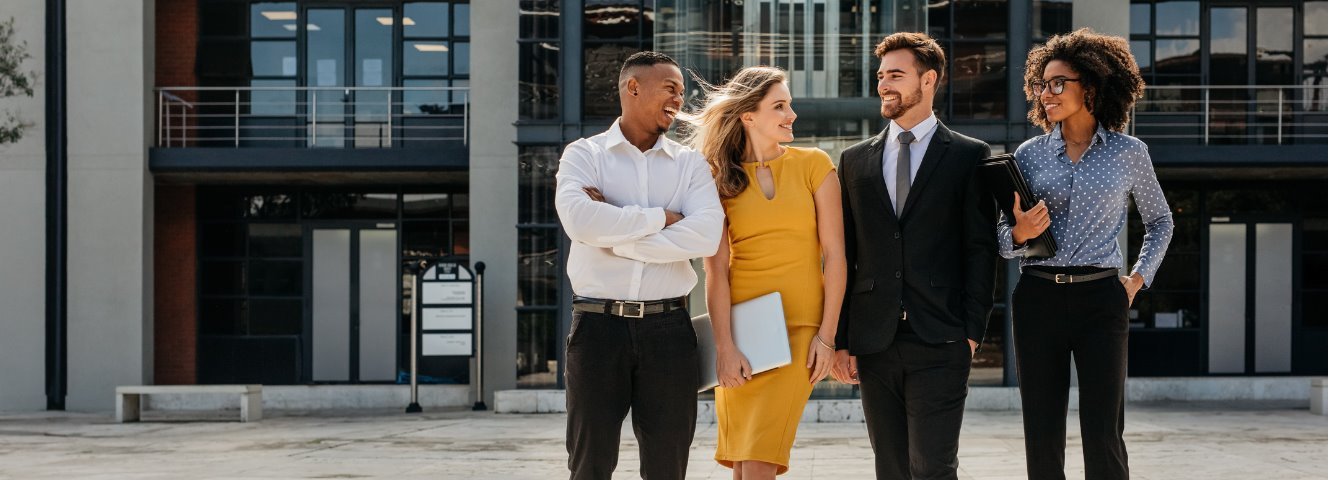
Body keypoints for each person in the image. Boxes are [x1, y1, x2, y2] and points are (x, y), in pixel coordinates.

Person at [1000, 28, 1174, 480]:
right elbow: (1001, 238)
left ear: (1091, 88)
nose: (1047, 93)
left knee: (1103, 431)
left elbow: (1161, 222)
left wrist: (1137, 280)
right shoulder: (1029, 155)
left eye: (1059, 83)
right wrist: (1018, 234)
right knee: (1041, 429)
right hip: (1038, 298)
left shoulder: (1129, 153)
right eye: (1042, 84)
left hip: (1102, 300)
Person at [830, 32, 998, 479]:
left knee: (934, 465)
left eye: (896, 75)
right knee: (891, 466)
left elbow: (979, 249)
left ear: (928, 80)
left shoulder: (968, 156)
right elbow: (845, 254)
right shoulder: (853, 161)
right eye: (881, 75)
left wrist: (970, 331)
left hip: (942, 337)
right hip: (874, 340)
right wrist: (844, 338)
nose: (884, 84)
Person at [553, 51, 725, 480]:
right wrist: (661, 218)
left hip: (669, 331)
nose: (679, 99)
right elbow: (579, 220)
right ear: (633, 87)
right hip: (596, 327)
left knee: (668, 465)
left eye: (682, 93)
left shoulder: (690, 164)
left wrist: (616, 232)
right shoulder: (584, 154)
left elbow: (705, 236)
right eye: (670, 88)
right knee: (589, 463)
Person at [682, 66, 846, 479]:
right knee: (745, 460)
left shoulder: (815, 165)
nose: (791, 114)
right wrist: (724, 348)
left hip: (801, 331)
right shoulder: (718, 180)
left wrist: (827, 337)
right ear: (748, 115)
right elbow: (716, 270)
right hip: (743, 333)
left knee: (759, 455)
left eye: (789, 105)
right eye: (779, 106)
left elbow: (836, 257)